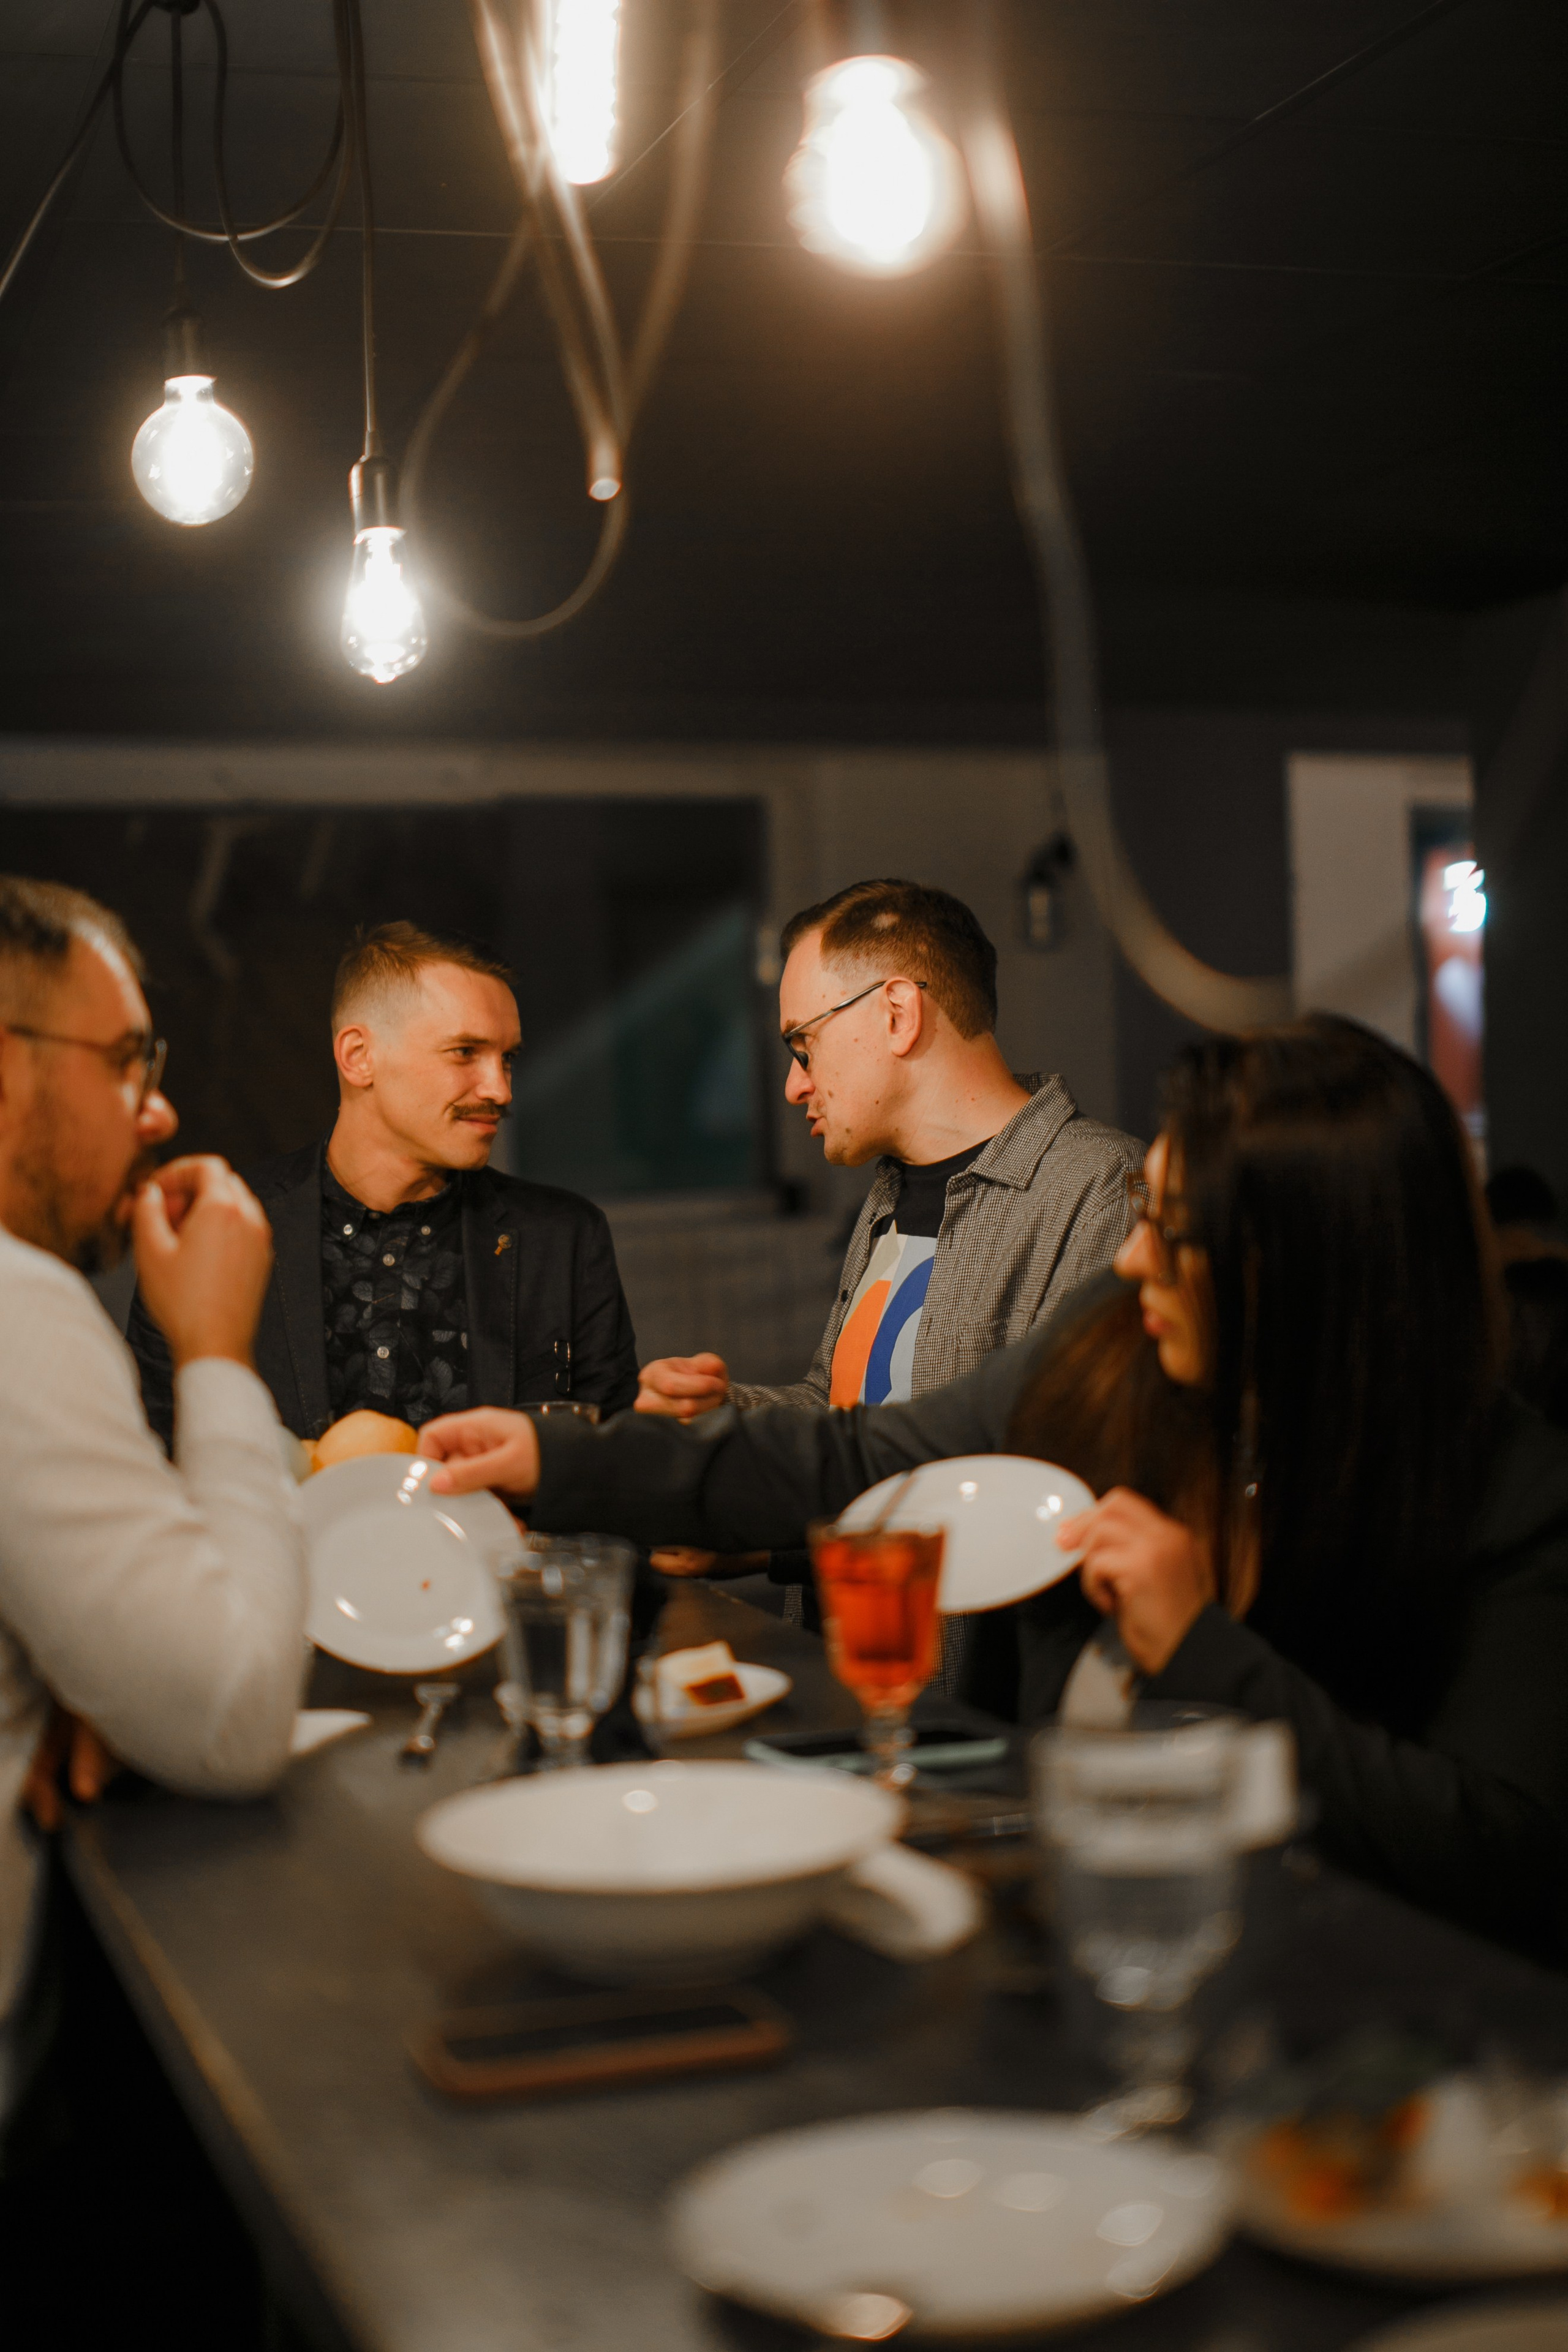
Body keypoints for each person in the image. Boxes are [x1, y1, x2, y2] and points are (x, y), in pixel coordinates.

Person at [417, 1016, 1568, 1964]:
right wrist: (566, 1460)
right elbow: (867, 1459)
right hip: (1070, 1936)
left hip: (1347, 2012)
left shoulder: (1509, 1490)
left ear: (1304, 1266)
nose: (1132, 1259)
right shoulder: (1121, 1346)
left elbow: (1510, 1857)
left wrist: (1203, 1650)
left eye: (1174, 1232)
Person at [634, 878, 1140, 1654]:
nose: (794, 1084)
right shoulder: (891, 1192)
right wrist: (724, 1415)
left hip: (973, 1696)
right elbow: (849, 1408)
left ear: (898, 1014)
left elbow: (1046, 1487)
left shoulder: (1099, 1188)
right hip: (855, 1662)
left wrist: (777, 1542)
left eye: (803, 1044)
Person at [0, 875, 306, 2134]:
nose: (160, 1109)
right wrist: (218, 1348)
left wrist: (77, 1667)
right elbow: (231, 1713)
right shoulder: (19, 1305)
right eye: (126, 1061)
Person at [128, 921, 639, 1450]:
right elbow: (153, 1452)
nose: (500, 1089)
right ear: (358, 1057)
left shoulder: (562, 1239)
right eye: (465, 1051)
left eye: (506, 1058)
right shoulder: (214, 1227)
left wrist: (652, 1423)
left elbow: (608, 1460)